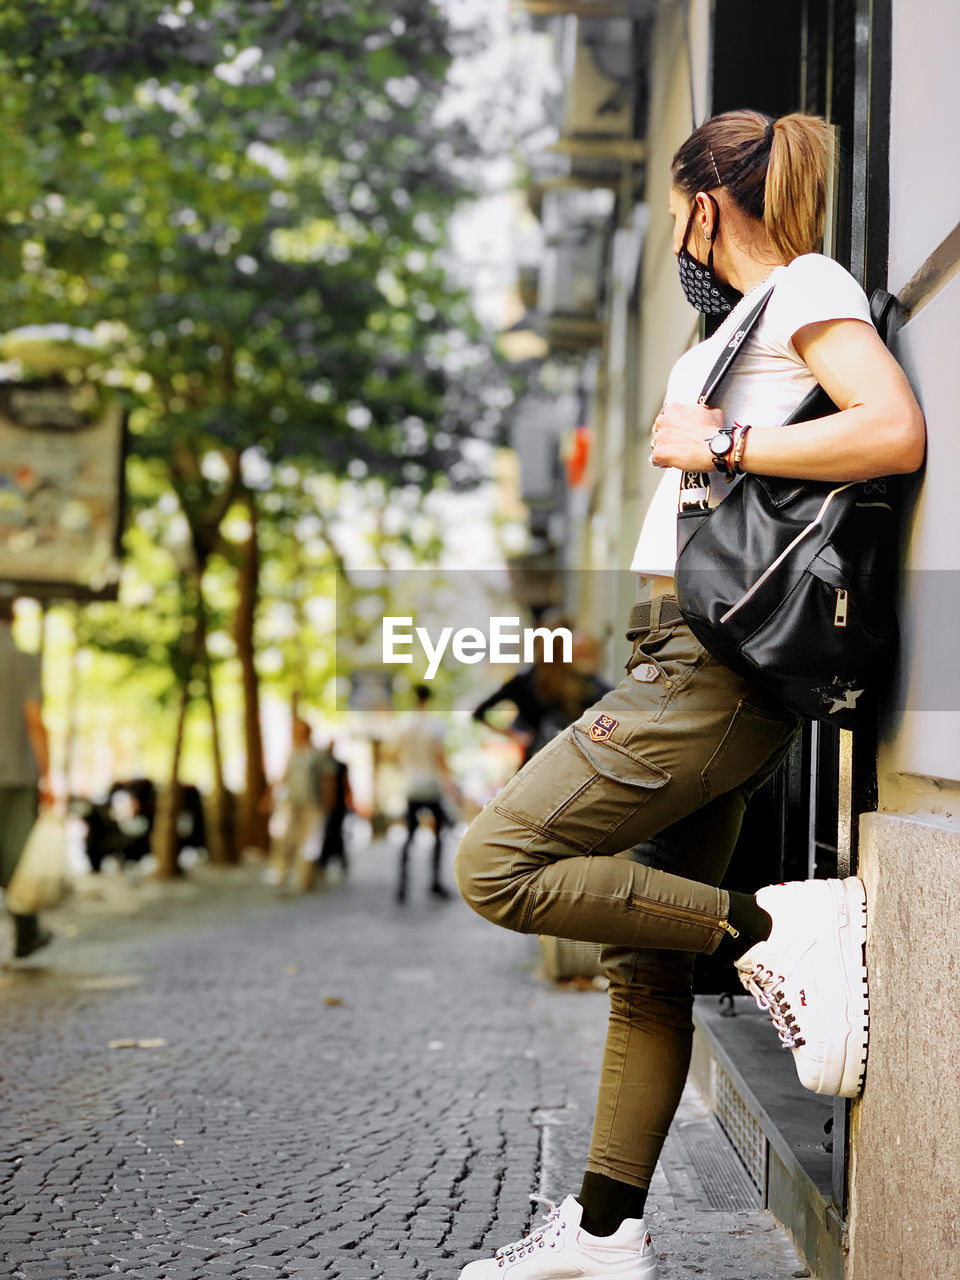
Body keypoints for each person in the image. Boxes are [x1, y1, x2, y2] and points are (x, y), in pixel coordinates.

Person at [454, 110, 925, 1280]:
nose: (676, 234)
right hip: (680, 654)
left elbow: (893, 428)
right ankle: (606, 1235)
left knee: (495, 863)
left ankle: (778, 933)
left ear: (709, 205)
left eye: (677, 213)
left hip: (708, 669)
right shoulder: (744, 321)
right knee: (646, 968)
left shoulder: (808, 283)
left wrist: (725, 444)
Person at [0, 595, 53, 959]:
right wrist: (47, 776)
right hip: (16, 773)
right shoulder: (23, 659)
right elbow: (34, 719)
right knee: (18, 857)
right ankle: (26, 934)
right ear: (12, 618)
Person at [394, 684, 456, 904]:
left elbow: (394, 755)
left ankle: (402, 885)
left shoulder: (404, 725)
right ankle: (435, 883)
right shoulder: (435, 726)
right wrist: (451, 786)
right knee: (438, 837)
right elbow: (440, 759)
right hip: (431, 786)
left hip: (412, 786)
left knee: (408, 837)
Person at [266, 716, 331, 892]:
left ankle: (305, 878)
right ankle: (281, 873)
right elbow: (282, 777)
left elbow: (326, 779)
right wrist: (269, 797)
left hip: (312, 803)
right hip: (291, 802)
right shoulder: (291, 753)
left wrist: (327, 802)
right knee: (286, 839)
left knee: (309, 842)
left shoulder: (317, 754)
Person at [317, 741, 353, 879]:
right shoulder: (323, 765)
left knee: (334, 831)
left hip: (337, 804)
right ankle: (330, 859)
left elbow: (345, 782)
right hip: (327, 804)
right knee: (331, 831)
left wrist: (349, 798)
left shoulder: (340, 765)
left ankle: (330, 859)